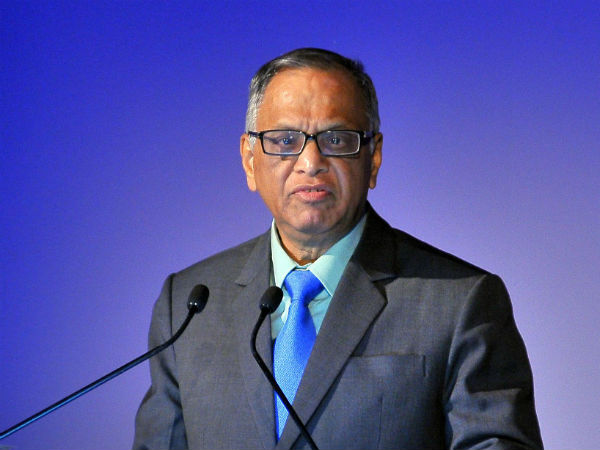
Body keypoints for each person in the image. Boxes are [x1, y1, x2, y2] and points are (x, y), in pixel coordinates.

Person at [133, 48, 543, 450]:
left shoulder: (458, 302)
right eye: (285, 140)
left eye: (336, 139)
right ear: (249, 159)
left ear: (373, 157)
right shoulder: (188, 306)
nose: (310, 161)